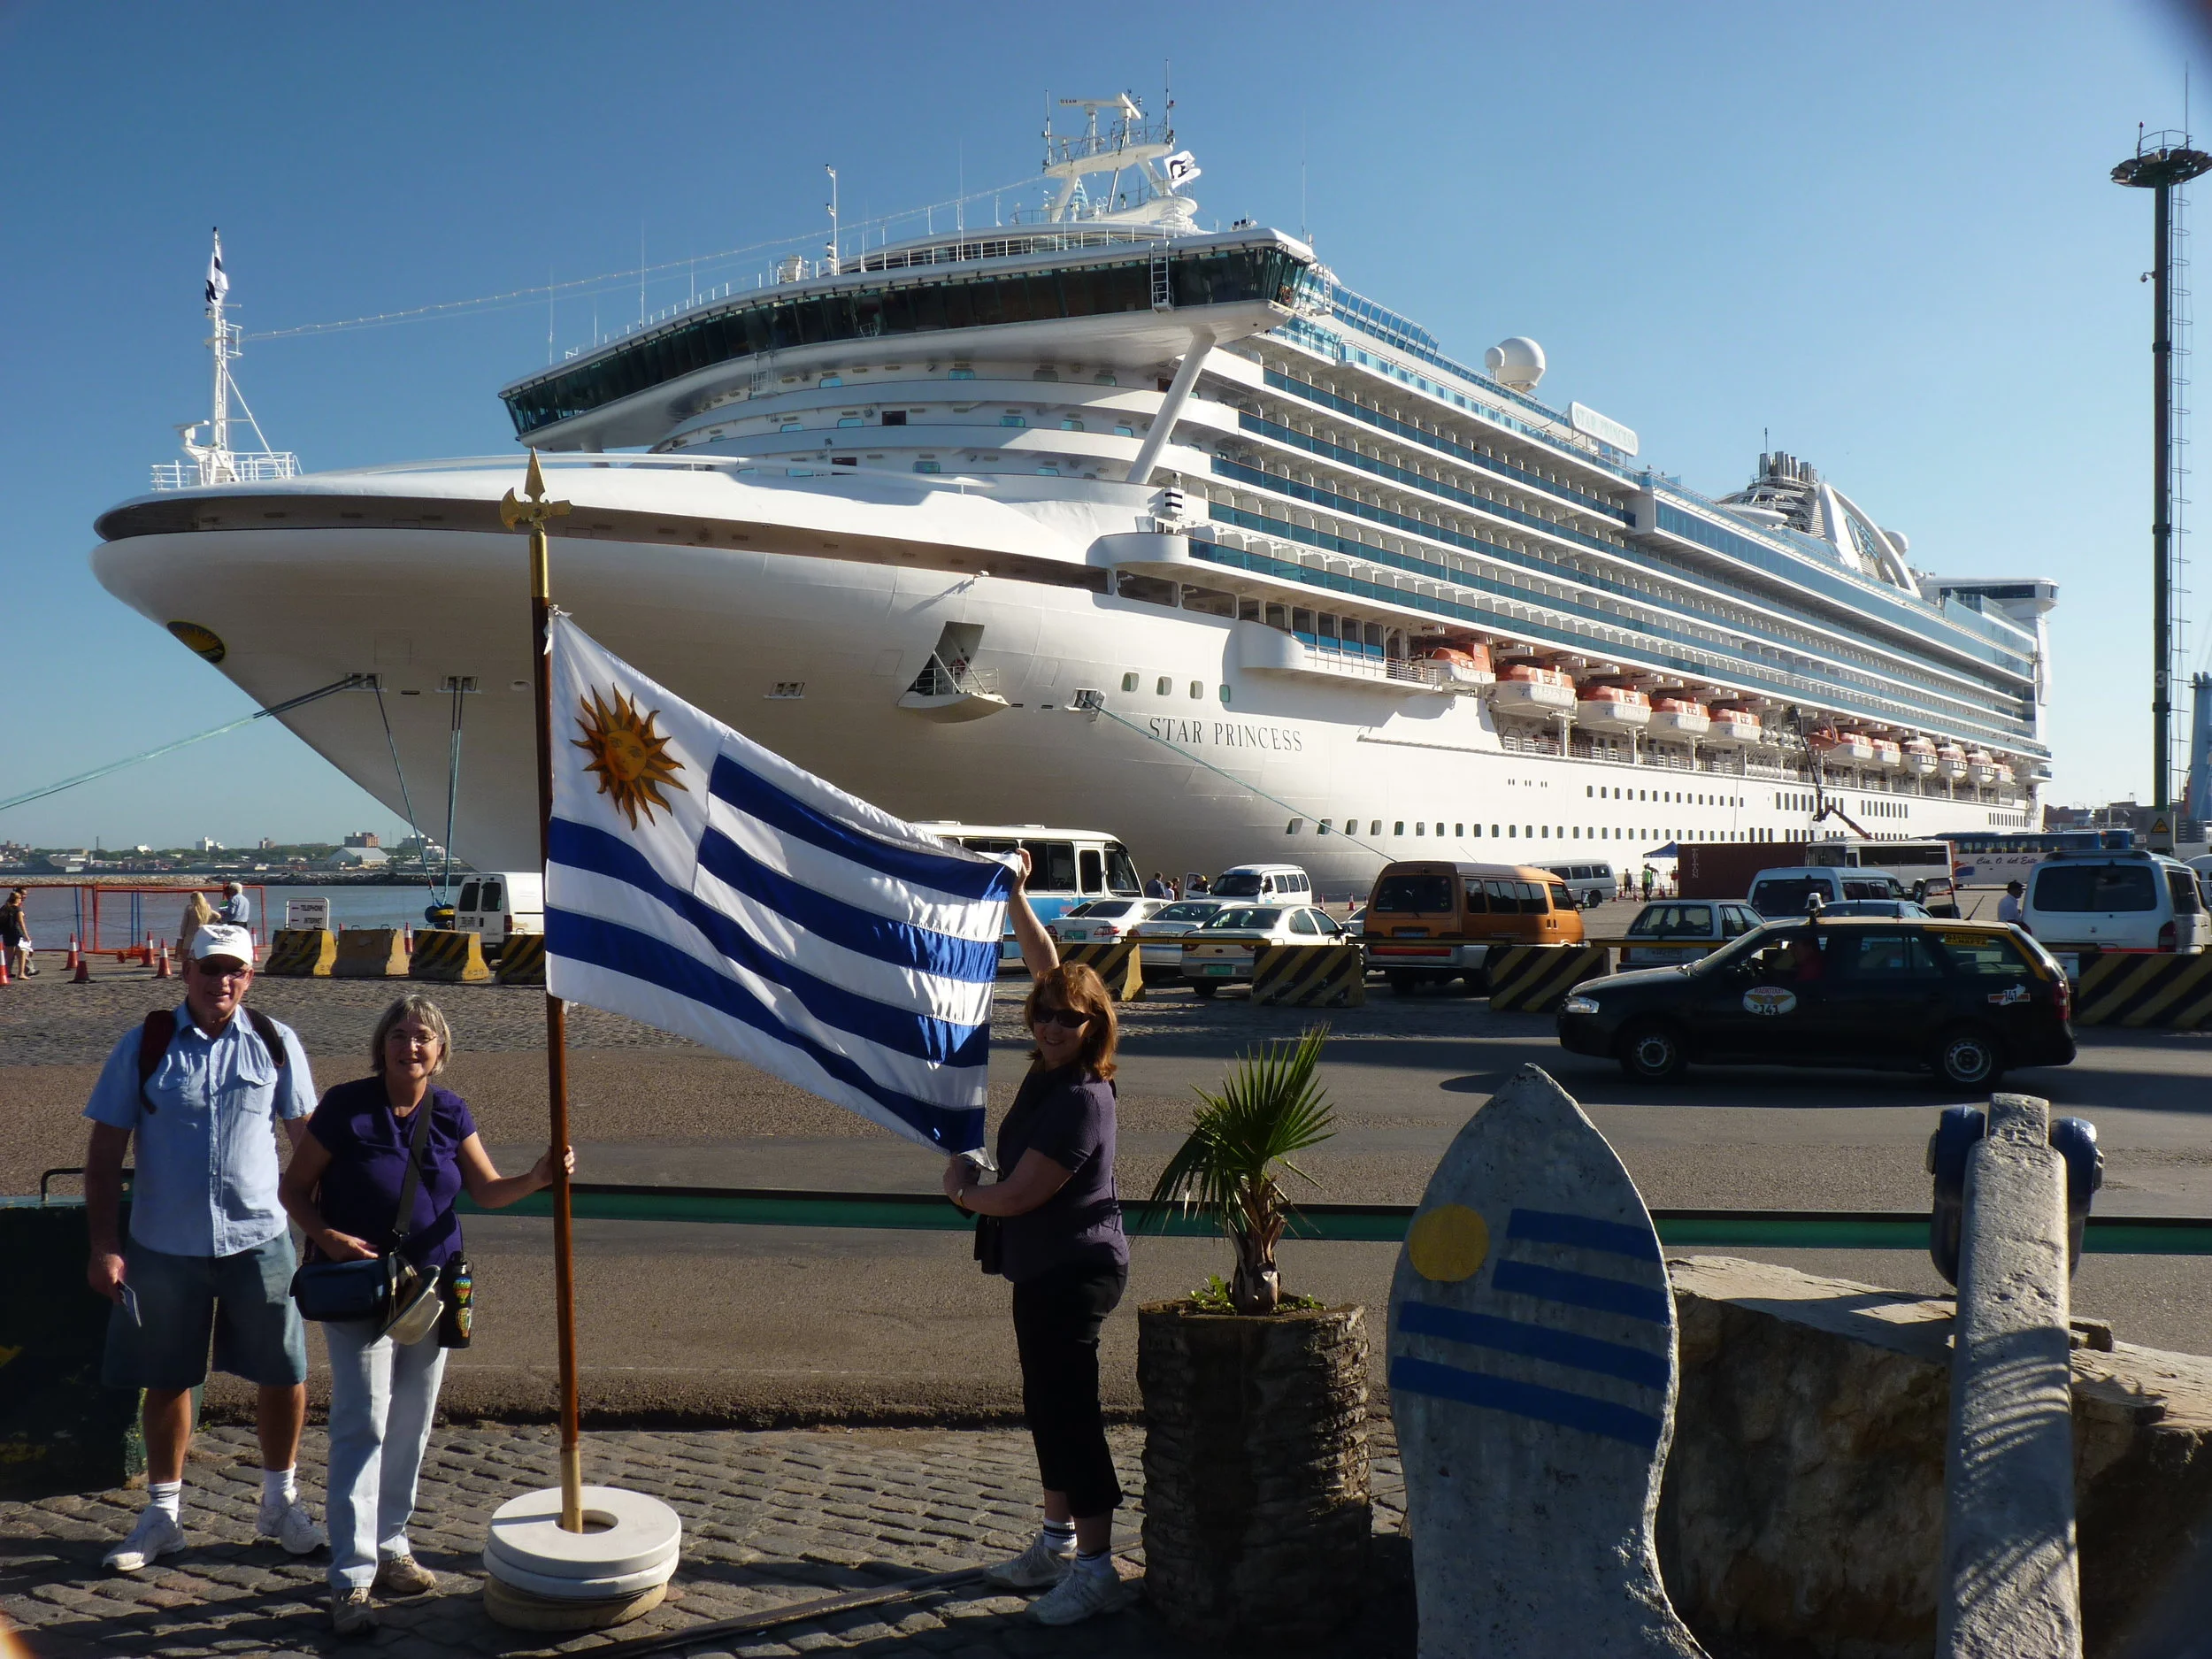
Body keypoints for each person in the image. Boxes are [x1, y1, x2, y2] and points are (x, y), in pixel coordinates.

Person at [279, 993, 572, 1636]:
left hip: (432, 1289)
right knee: (363, 1422)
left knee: (411, 1422)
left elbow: (488, 1189)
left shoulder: (450, 1111)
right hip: (360, 1287)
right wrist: (327, 1237)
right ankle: (352, 1578)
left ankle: (392, 1544)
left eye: (424, 1038)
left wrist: (539, 1175)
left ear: (440, 1051)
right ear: (381, 1043)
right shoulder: (345, 1107)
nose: (411, 1046)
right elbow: (292, 1188)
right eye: (400, 1035)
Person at [81, 923, 323, 1574]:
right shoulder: (145, 1045)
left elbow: (310, 1146)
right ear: (185, 970)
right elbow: (103, 1157)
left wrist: (330, 1229)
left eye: (235, 971)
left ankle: (279, 1502)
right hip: (163, 1243)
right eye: (210, 968)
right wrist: (105, 1245)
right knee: (169, 1377)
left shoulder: (276, 1044)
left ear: (250, 977)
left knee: (285, 1371)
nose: (222, 981)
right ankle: (163, 1515)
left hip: (260, 1236)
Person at [942, 853, 1128, 1627]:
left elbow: (1022, 1195)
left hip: (1073, 1267)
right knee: (1045, 1404)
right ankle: (1054, 1543)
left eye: (1070, 1018)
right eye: (1044, 1014)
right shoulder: (1050, 1071)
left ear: (1096, 1028)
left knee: (1071, 1410)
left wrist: (960, 1193)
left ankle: (1095, 1565)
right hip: (1043, 1265)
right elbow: (1049, 963)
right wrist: (1019, 897)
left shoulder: (1082, 1096)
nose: (1052, 1024)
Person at [1, 887, 27, 979]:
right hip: (17, 933)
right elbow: (21, 923)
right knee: (23, 953)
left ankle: (6, 972)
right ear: (17, 899)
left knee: (8, 956)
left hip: (6, 933)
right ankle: (21, 973)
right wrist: (26, 935)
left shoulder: (4, 907)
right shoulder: (17, 909)